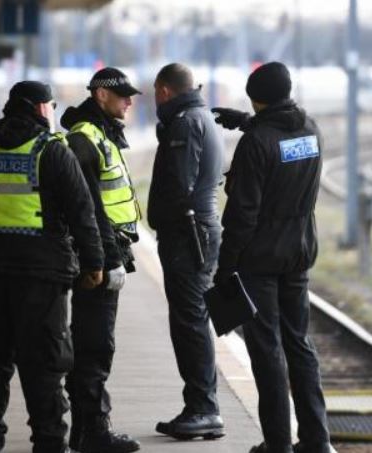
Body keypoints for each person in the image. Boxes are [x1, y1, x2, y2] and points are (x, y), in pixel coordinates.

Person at [0, 81, 104, 453]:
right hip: (43, 276)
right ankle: (49, 441)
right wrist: (94, 262)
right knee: (44, 363)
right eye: (51, 105)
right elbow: (82, 212)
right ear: (41, 109)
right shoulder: (52, 152)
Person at [212, 62, 332, 453]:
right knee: (299, 343)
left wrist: (226, 264)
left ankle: (278, 443)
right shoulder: (311, 129)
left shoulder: (256, 143)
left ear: (256, 99)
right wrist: (248, 121)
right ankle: (315, 438)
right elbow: (281, 136)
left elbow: (243, 213)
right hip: (298, 251)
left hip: (260, 258)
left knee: (267, 351)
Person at [60, 67, 141, 453]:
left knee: (92, 340)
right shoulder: (85, 140)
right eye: (123, 94)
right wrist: (107, 260)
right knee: (94, 343)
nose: (129, 101)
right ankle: (93, 431)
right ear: (100, 96)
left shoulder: (100, 134)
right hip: (97, 256)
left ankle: (82, 429)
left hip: (107, 250)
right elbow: (89, 209)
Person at [148, 63, 225, 440]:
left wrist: (165, 219)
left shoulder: (184, 123)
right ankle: (203, 406)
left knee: (189, 320)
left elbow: (179, 185)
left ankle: (203, 408)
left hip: (187, 234)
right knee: (193, 318)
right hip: (199, 230)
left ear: (163, 91)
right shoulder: (201, 117)